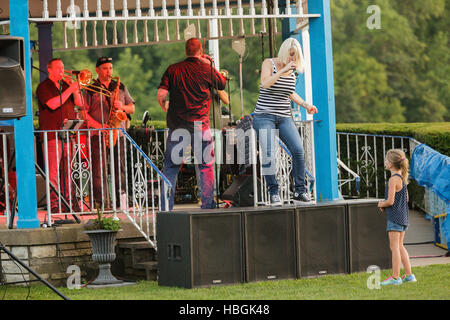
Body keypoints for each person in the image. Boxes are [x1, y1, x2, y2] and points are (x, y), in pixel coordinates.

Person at [157, 37, 227, 211]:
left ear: (186, 50)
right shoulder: (206, 68)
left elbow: (161, 94)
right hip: (199, 125)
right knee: (205, 166)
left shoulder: (173, 69)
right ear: (201, 50)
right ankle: (208, 204)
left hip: (177, 125)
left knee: (171, 167)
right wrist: (209, 63)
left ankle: (166, 207)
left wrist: (165, 105)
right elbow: (222, 84)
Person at [252, 37, 318, 206]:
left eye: (295, 56)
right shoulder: (269, 63)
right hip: (263, 115)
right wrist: (282, 71)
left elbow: (289, 92)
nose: (292, 59)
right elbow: (265, 83)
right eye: (290, 55)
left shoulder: (294, 71)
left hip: (283, 116)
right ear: (283, 52)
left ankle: (299, 191)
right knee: (268, 153)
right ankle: (273, 192)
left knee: (298, 150)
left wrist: (305, 105)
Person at [84, 56, 135, 210]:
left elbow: (131, 108)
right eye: (105, 68)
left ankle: (122, 202)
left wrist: (123, 107)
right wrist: (99, 126)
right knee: (99, 170)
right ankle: (102, 203)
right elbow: (83, 113)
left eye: (111, 68)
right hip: (98, 134)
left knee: (120, 168)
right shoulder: (90, 88)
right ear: (97, 70)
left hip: (117, 133)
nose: (109, 71)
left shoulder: (120, 87)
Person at [36, 58, 84, 213]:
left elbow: (81, 104)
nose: (62, 71)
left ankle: (68, 201)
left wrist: (75, 89)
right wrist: (70, 90)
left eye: (63, 68)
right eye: (58, 68)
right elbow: (52, 104)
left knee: (68, 170)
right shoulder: (43, 87)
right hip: (51, 135)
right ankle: (55, 204)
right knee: (53, 172)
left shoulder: (65, 86)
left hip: (67, 134)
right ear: (49, 69)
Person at [378, 149, 417, 286]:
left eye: (386, 160)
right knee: (400, 246)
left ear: (391, 164)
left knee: (394, 247)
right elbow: (405, 198)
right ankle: (409, 275)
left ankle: (395, 278)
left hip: (394, 218)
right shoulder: (402, 178)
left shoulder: (393, 179)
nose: (385, 162)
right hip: (403, 217)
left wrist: (381, 204)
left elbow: (390, 201)